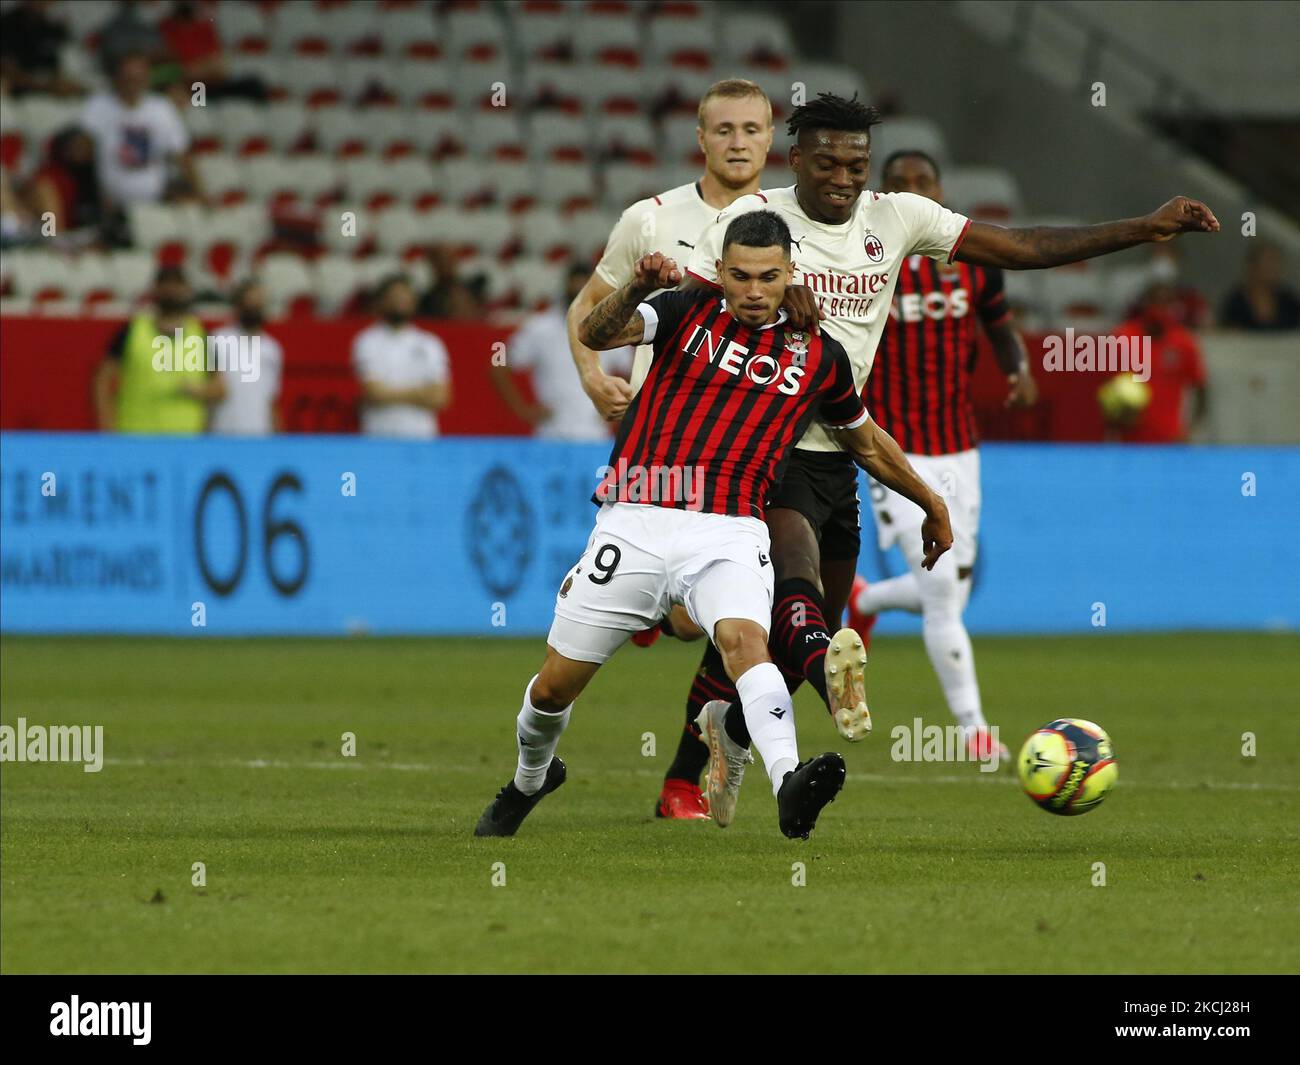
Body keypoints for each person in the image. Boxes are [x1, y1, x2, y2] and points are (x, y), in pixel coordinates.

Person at [663, 92, 1218, 799]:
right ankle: (770, 747)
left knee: (796, 630)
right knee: (796, 591)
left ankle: (720, 737)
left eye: (855, 164)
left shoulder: (897, 217)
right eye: (826, 161)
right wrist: (773, 302)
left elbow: (1022, 248)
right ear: (796, 158)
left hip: (848, 446)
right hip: (761, 443)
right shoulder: (756, 222)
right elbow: (690, 309)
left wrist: (1144, 228)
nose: (842, 176)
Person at [473, 216, 954, 840]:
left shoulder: (820, 357)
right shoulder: (684, 309)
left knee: (746, 645)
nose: (755, 291)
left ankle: (788, 782)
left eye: (770, 277)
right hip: (638, 518)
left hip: (732, 527)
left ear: (790, 276)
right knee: (553, 688)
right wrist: (636, 288)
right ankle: (529, 780)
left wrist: (929, 502)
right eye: (742, 276)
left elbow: (863, 440)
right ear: (721, 272)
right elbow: (596, 331)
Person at [567, 77, 775, 818]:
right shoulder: (650, 219)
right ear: (701, 138)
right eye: (725, 129)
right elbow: (587, 308)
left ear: (771, 136)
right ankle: (685, 764)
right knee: (702, 615)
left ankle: (688, 770)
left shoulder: (791, 223)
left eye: (753, 128)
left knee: (738, 618)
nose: (739, 142)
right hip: (664, 444)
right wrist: (595, 378)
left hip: (756, 443)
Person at [845, 150, 1037, 762]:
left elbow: (998, 322)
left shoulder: (973, 263)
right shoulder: (866, 259)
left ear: (940, 189)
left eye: (922, 182)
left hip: (960, 446)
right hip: (887, 444)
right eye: (899, 183)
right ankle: (974, 730)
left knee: (950, 586)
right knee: (939, 588)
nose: (912, 191)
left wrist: (1017, 368)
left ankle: (866, 600)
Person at [491, 264, 631, 441]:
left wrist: (622, 413)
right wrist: (523, 410)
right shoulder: (539, 327)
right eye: (575, 289)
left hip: (595, 434)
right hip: (551, 433)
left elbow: (633, 372)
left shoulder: (612, 328)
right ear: (565, 287)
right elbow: (498, 364)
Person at [93, 265, 225, 433]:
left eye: (177, 284)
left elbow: (219, 388)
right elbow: (102, 378)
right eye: (165, 283)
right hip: (135, 437)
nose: (171, 289)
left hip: (185, 441)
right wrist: (107, 425)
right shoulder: (133, 330)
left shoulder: (200, 334)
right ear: (154, 289)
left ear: (188, 290)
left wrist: (196, 390)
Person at [79, 50, 203, 210]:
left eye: (137, 79)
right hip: (112, 204)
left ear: (147, 79)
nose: (132, 84)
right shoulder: (97, 106)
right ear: (116, 78)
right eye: (128, 79)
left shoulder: (161, 108)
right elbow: (81, 156)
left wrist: (200, 192)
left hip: (158, 202)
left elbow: (181, 155)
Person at [352, 274, 452, 438]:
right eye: (394, 297)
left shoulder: (430, 343)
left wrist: (389, 393)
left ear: (414, 301)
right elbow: (374, 393)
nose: (400, 302)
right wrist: (420, 394)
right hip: (378, 435)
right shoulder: (366, 341)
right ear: (382, 301)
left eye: (404, 296)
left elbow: (441, 397)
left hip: (422, 436)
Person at [1108, 282, 1208, 443]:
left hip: (1170, 441)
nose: (1161, 309)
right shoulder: (1122, 338)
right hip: (1130, 442)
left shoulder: (1184, 343)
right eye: (1156, 302)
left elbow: (1202, 391)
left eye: (1167, 302)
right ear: (1145, 304)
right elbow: (1103, 388)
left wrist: (1189, 430)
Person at [209, 279, 283, 436]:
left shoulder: (272, 348)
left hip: (260, 435)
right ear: (238, 306)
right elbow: (211, 391)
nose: (254, 309)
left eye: (258, 304)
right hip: (222, 432)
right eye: (249, 304)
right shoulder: (218, 340)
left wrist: (279, 439)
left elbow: (271, 400)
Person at [1218, 242, 1300, 331]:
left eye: (1275, 263)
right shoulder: (1236, 302)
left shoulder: (1288, 301)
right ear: (1252, 266)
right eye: (1267, 263)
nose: (1272, 269)